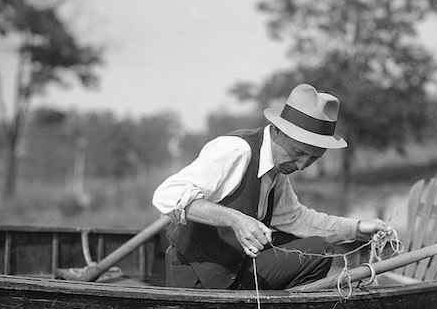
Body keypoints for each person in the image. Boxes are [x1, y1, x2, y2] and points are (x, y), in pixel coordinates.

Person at [152, 83, 389, 290]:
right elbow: (167, 194)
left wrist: (358, 228)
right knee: (315, 249)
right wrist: (234, 219)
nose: (302, 166)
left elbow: (299, 220)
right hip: (197, 278)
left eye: (313, 159)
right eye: (298, 153)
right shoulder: (237, 150)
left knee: (319, 249)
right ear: (277, 131)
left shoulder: (277, 170)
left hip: (237, 269)